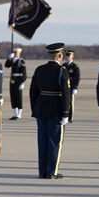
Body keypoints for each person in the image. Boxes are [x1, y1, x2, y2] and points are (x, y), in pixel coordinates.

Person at [29, 43, 71, 179]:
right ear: (59, 55)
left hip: (41, 107)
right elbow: (66, 93)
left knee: (43, 140)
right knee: (54, 141)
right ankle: (52, 171)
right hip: (55, 108)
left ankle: (42, 171)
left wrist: (35, 109)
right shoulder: (62, 70)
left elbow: (33, 91)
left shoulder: (40, 69)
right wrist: (66, 113)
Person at [4, 47, 27, 120]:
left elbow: (24, 73)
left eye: (16, 52)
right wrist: (9, 58)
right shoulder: (12, 60)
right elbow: (6, 65)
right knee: (13, 96)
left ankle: (19, 114)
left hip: (18, 79)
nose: (14, 53)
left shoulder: (21, 61)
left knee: (18, 97)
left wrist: (22, 82)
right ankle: (14, 114)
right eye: (14, 52)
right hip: (13, 79)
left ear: (19, 53)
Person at [64, 49, 81, 123]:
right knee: (65, 101)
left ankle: (70, 117)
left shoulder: (75, 66)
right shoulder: (63, 65)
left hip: (71, 86)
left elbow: (77, 77)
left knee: (70, 102)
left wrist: (75, 87)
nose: (67, 57)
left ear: (72, 56)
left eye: (69, 56)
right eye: (66, 56)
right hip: (65, 86)